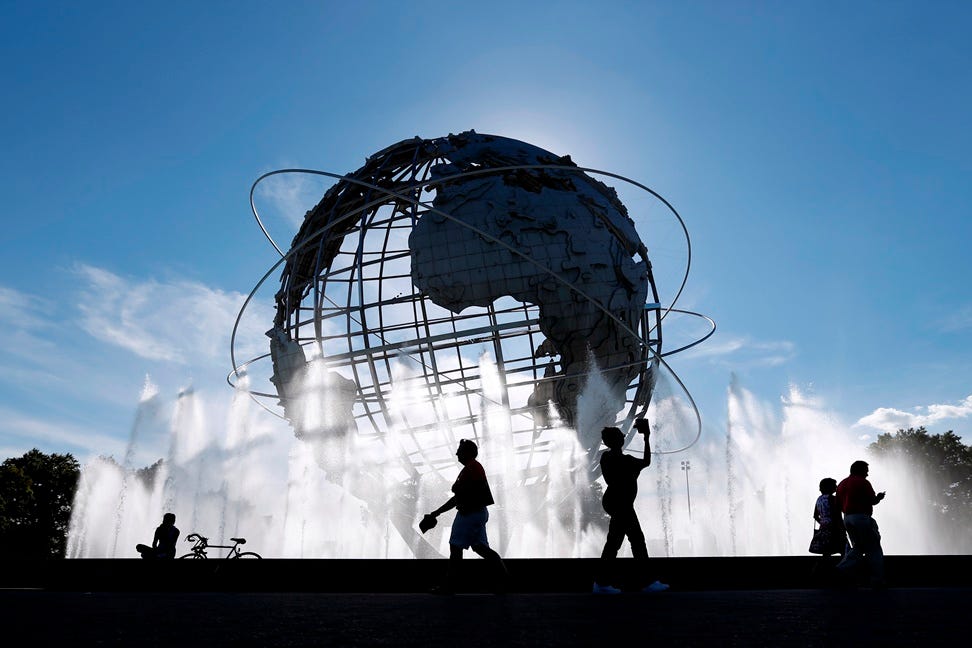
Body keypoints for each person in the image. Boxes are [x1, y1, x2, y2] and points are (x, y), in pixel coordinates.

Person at [593, 419, 669, 594]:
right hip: (621, 503)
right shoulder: (616, 459)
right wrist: (646, 438)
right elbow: (645, 462)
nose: (623, 438)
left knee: (615, 542)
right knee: (636, 541)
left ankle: (602, 583)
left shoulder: (612, 458)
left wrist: (646, 437)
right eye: (621, 436)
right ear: (615, 441)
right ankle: (646, 582)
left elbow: (645, 462)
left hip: (618, 503)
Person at [423, 439, 508, 593]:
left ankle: (449, 587)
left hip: (469, 514)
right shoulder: (472, 468)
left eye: (460, 450)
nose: (456, 453)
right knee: (481, 548)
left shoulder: (471, 469)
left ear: (468, 452)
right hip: (476, 513)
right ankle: (504, 582)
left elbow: (459, 497)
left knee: (455, 548)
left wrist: (437, 512)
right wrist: (438, 512)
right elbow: (461, 496)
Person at [836, 461, 886, 586]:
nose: (867, 474)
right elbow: (872, 500)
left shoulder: (842, 484)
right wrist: (879, 497)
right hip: (861, 517)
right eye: (866, 470)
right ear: (860, 470)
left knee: (858, 547)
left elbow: (838, 504)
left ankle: (840, 569)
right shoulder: (863, 482)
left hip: (847, 518)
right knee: (873, 548)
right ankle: (877, 579)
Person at [813, 477, 848, 557]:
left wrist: (823, 522)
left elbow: (815, 515)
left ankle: (822, 568)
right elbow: (836, 515)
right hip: (835, 529)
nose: (836, 487)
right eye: (834, 486)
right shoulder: (833, 499)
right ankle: (842, 568)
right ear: (829, 487)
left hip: (824, 529)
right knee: (844, 550)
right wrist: (842, 527)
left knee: (826, 552)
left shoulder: (819, 499)